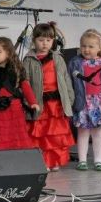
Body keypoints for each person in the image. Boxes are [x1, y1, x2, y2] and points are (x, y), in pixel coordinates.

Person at [23, 22, 75, 171]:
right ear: (34, 40)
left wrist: (69, 98)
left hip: (56, 104)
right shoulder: (28, 59)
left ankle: (54, 161)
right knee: (41, 134)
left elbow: (65, 78)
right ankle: (43, 162)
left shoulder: (58, 58)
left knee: (55, 135)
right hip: (40, 103)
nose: (45, 43)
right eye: (41, 40)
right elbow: (24, 82)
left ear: (53, 41)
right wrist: (29, 101)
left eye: (48, 40)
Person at [68, 29, 101, 171]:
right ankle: (82, 160)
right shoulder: (75, 62)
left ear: (100, 47)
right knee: (83, 132)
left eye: (91, 46)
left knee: (98, 133)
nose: (86, 49)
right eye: (83, 46)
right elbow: (69, 83)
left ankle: (98, 160)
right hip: (83, 103)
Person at [0, 36, 39, 150]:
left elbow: (25, 86)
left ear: (8, 53)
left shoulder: (16, 68)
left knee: (17, 136)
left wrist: (33, 102)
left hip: (14, 107)